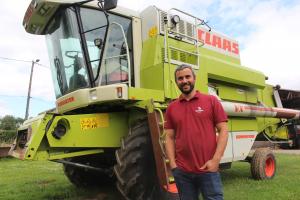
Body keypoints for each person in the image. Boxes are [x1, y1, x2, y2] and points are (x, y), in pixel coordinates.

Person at [165, 64, 228, 200]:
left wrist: (216, 160)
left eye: (188, 77)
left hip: (208, 170)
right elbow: (169, 137)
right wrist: (173, 165)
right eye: (180, 78)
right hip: (183, 172)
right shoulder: (171, 108)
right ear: (176, 82)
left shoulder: (211, 101)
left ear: (194, 78)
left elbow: (223, 129)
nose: (184, 81)